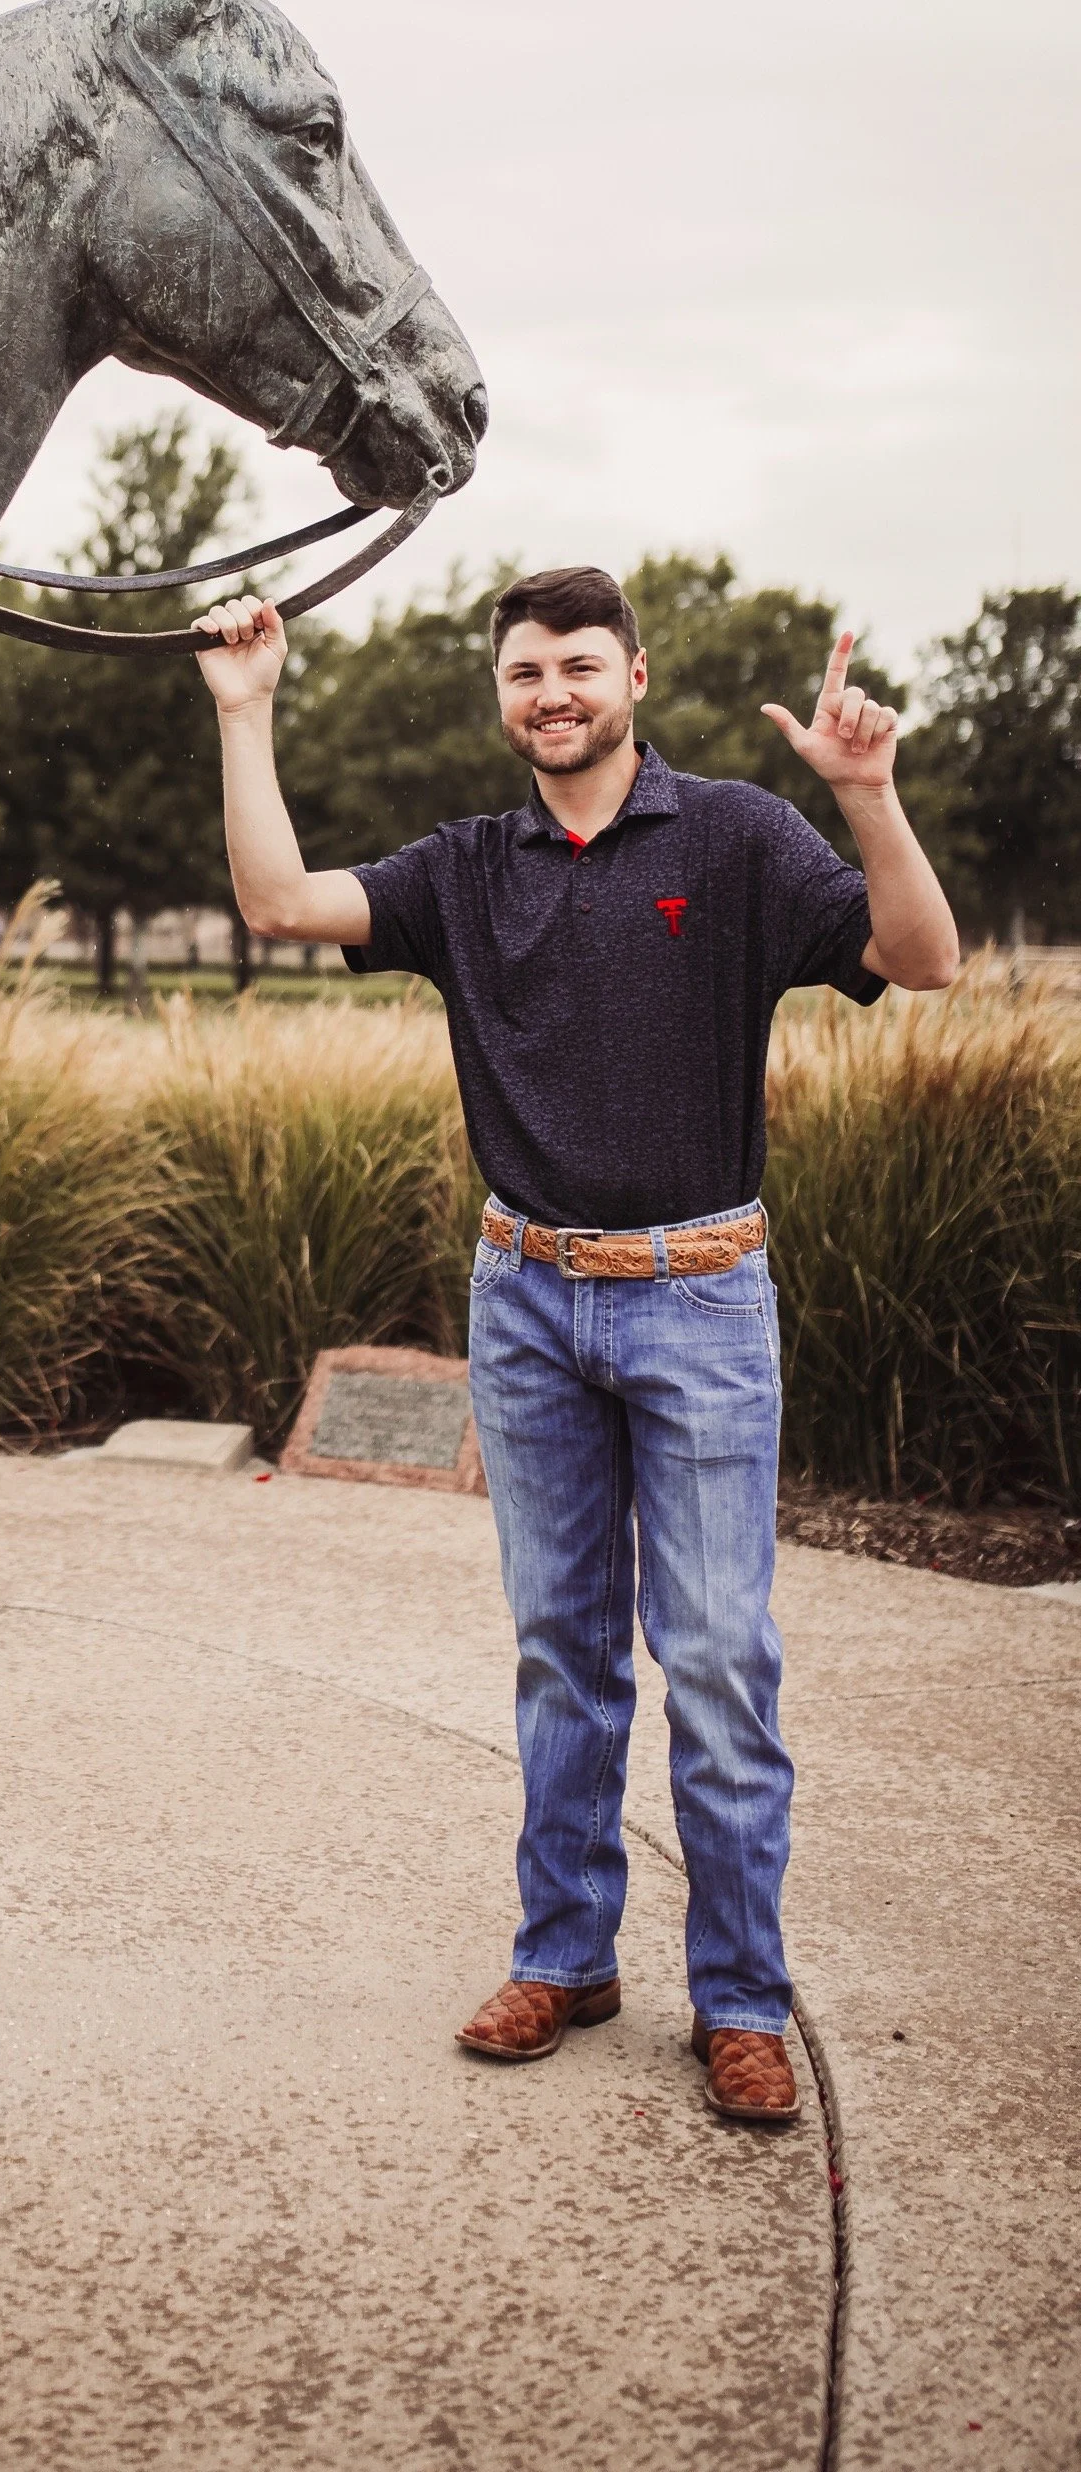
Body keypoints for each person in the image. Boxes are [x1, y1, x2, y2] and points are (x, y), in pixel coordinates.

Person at [195, 563, 959, 2124]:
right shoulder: (468, 869)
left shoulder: (738, 837)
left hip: (700, 1296)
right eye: (526, 672)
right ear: (505, 698)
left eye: (580, 667)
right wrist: (247, 712)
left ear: (636, 677)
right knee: (563, 1657)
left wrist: (870, 794)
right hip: (527, 1298)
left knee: (723, 1667)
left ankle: (739, 1998)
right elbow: (280, 903)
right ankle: (567, 1957)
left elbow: (923, 959)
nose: (552, 694)